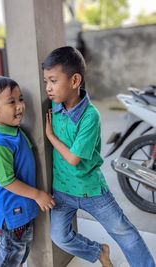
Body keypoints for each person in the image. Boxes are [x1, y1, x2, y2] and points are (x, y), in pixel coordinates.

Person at [42, 46, 156, 267]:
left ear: (75, 81)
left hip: (92, 191)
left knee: (125, 233)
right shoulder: (54, 106)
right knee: (59, 236)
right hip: (62, 192)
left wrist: (50, 135)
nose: (48, 88)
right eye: (46, 81)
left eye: (53, 81)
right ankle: (98, 252)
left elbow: (74, 159)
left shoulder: (90, 116)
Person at [0, 76, 55, 267]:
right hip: (11, 214)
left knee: (19, 253)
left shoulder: (14, 131)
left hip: (20, 212)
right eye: (11, 102)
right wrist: (38, 195)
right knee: (10, 257)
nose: (20, 106)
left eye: (20, 99)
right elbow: (8, 182)